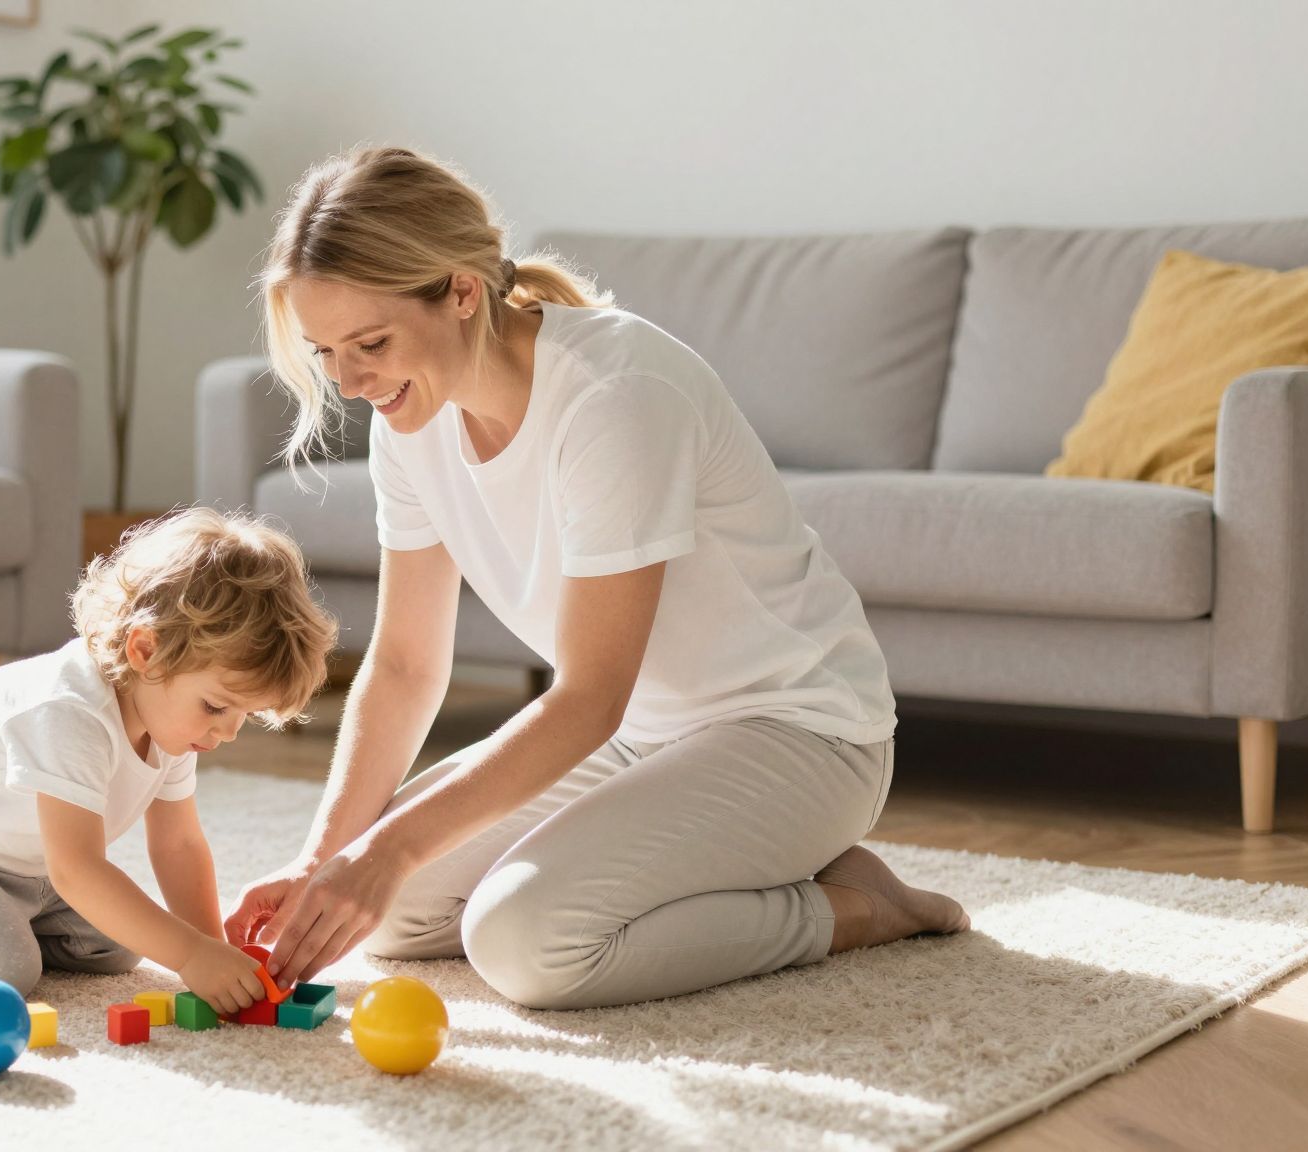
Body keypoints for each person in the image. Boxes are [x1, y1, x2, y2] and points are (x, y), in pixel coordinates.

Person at [224, 146, 969, 1011]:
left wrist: (383, 850)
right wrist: (324, 861)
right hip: (642, 740)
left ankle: (852, 906)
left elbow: (587, 698)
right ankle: (726, 860)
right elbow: (403, 668)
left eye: (371, 344)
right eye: (325, 353)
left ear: (462, 291)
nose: (350, 384)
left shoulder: (615, 397)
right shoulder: (410, 423)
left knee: (525, 939)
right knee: (390, 914)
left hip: (798, 730)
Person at [0, 507, 337, 1017]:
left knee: (120, 946)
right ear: (146, 652)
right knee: (0, 968)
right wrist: (190, 956)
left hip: (30, 869)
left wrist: (210, 951)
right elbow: (77, 869)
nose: (229, 731)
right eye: (217, 706)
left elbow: (178, 844)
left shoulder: (171, 723)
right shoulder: (69, 710)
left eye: (244, 715)